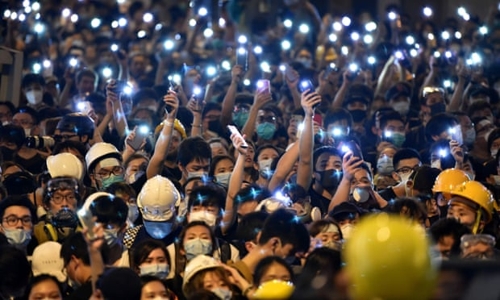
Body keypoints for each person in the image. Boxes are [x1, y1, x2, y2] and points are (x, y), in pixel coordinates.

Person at [124, 176, 182, 249]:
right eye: (150, 221)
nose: (157, 227)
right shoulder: (130, 237)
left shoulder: (186, 236)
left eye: (164, 222)